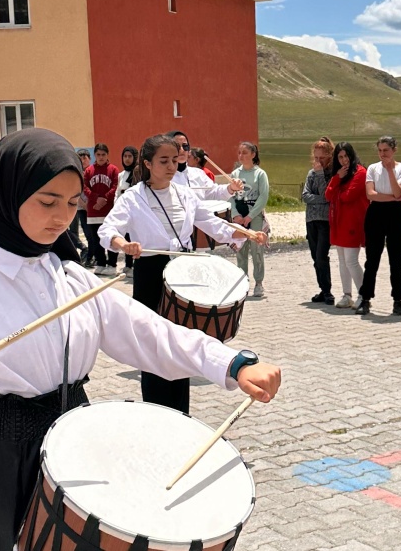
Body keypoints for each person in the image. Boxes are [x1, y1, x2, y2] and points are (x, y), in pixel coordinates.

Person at [0, 129, 279, 550]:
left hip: (77, 440)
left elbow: (151, 332)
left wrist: (232, 365)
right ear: (9, 195)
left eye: (72, 204)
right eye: (48, 202)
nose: (63, 217)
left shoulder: (69, 275)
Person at [99, 133, 269, 415]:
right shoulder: (132, 198)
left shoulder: (184, 194)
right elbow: (108, 230)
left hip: (183, 271)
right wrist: (124, 245)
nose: (170, 166)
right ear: (147, 164)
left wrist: (246, 233)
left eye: (173, 160)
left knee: (181, 345)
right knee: (154, 346)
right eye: (163, 161)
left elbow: (212, 223)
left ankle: (180, 412)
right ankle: (157, 411)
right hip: (151, 273)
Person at [356, 136, 401, 317]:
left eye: (386, 150)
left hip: (396, 214)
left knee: (396, 259)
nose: (382, 154)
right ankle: (365, 298)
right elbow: (370, 194)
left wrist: (389, 172)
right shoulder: (372, 168)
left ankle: (398, 299)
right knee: (372, 259)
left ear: (394, 150)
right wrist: (394, 197)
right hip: (376, 213)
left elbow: (398, 191)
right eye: (380, 150)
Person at [326, 142, 368, 309]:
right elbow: (328, 194)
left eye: (346, 156)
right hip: (338, 222)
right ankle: (347, 295)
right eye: (340, 157)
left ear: (352, 155)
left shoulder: (360, 172)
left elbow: (348, 196)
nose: (344, 160)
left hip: (353, 222)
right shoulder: (339, 175)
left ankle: (364, 295)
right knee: (342, 261)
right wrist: (337, 179)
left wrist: (337, 188)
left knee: (351, 261)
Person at [231, 142, 270, 297]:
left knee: (256, 249)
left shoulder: (260, 174)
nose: (241, 156)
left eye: (245, 152)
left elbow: (263, 196)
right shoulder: (235, 174)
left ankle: (259, 282)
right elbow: (230, 196)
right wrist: (235, 215)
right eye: (239, 152)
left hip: (254, 215)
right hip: (239, 216)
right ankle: (242, 281)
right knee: (240, 249)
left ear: (253, 154)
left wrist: (250, 216)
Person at [302, 137, 335, 304]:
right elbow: (305, 196)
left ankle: (328, 291)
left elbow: (327, 195)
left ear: (329, 156)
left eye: (321, 158)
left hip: (325, 220)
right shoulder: (310, 173)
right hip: (311, 219)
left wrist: (321, 174)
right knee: (315, 257)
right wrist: (320, 198)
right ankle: (322, 289)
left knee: (322, 255)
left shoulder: (330, 174)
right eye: (316, 158)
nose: (318, 161)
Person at [168, 131, 243, 201]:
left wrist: (231, 188)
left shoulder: (198, 173)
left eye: (185, 146)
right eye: (177, 146)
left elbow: (214, 192)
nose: (182, 149)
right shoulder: (163, 177)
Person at [83, 143, 120, 276]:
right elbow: (85, 188)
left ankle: (112, 264)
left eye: (103, 154)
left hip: (109, 211)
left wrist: (104, 199)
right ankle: (100, 263)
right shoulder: (88, 171)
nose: (101, 157)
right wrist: (96, 199)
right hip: (93, 211)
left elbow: (115, 186)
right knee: (96, 239)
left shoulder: (113, 170)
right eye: (98, 154)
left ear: (107, 155)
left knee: (110, 238)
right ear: (94, 155)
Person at [116, 146, 138, 277]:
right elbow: (117, 193)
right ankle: (128, 265)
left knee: (135, 237)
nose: (127, 159)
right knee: (126, 238)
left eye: (130, 156)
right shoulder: (121, 175)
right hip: (124, 209)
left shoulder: (138, 172)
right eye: (125, 156)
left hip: (135, 210)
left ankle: (135, 265)